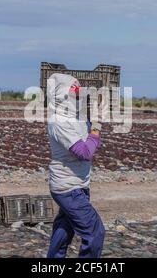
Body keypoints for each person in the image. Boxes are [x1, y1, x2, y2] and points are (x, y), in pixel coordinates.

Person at [46, 73, 105, 258]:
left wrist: (95, 120)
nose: (79, 97)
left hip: (79, 184)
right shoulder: (59, 122)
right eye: (75, 93)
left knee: (63, 232)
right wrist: (96, 126)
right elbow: (85, 152)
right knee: (95, 232)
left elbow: (93, 143)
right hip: (68, 188)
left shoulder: (77, 118)